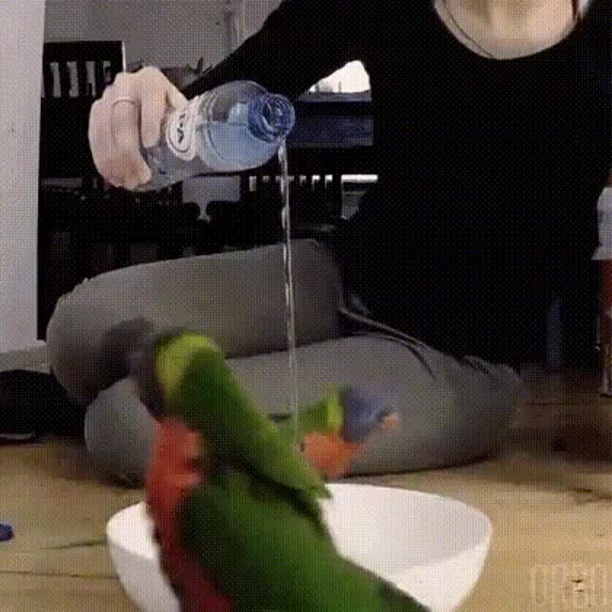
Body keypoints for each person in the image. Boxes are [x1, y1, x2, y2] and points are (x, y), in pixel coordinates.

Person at [29, 0, 611, 483]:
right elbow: (223, 96)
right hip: (342, 273)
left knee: (132, 426)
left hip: (456, 361)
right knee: (80, 328)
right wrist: (141, 102)